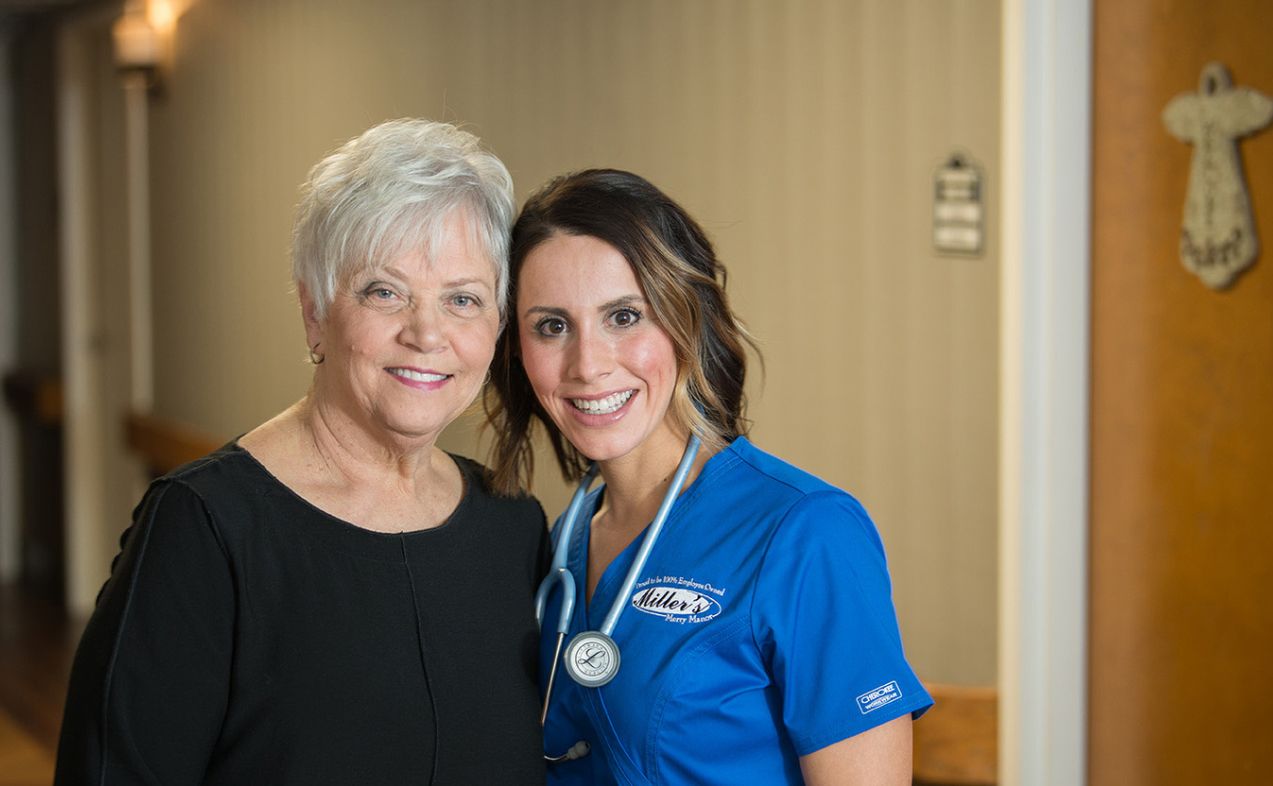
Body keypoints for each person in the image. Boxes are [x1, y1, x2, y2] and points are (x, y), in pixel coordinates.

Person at [55, 119, 548, 785]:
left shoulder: (511, 522)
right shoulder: (204, 527)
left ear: (496, 326)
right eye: (385, 291)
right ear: (315, 312)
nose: (427, 333)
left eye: (463, 299)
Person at [486, 169, 932, 785]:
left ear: (686, 321)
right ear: (516, 347)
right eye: (552, 326)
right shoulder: (566, 539)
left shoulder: (806, 533)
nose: (587, 364)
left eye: (624, 316)